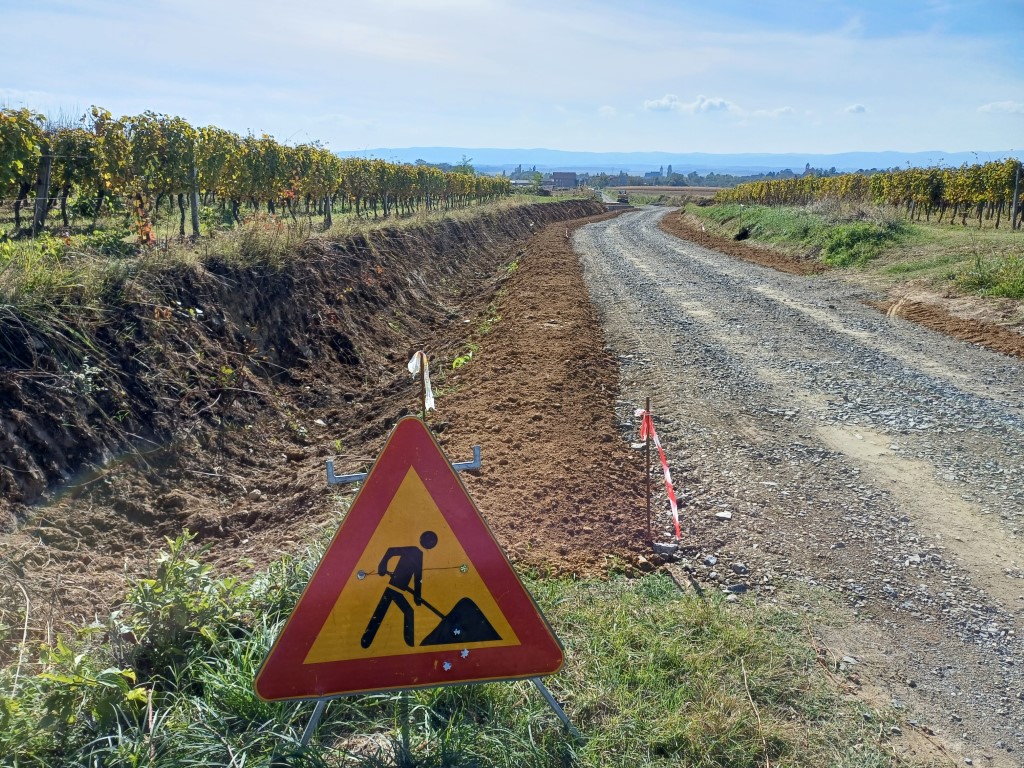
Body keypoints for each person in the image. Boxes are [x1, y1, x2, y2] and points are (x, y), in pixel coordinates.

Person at [360, 531, 438, 648]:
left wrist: (417, 596)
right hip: (392, 588)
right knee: (385, 612)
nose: (430, 544)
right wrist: (382, 566)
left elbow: (418, 578)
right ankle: (367, 640)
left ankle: (408, 644)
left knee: (387, 611)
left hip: (397, 590)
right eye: (429, 541)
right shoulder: (413, 550)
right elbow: (391, 551)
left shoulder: (418, 554)